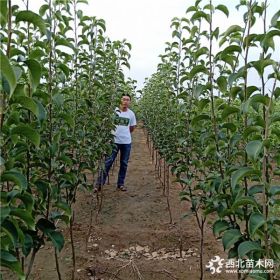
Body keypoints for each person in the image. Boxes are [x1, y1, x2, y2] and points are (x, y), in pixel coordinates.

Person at [94, 93, 137, 192]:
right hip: (113, 141)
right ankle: (99, 184)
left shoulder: (131, 114)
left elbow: (132, 127)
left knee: (124, 163)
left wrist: (124, 133)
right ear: (120, 100)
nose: (125, 101)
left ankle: (120, 184)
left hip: (126, 142)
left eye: (127, 100)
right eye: (124, 99)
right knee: (108, 162)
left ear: (130, 102)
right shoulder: (114, 112)